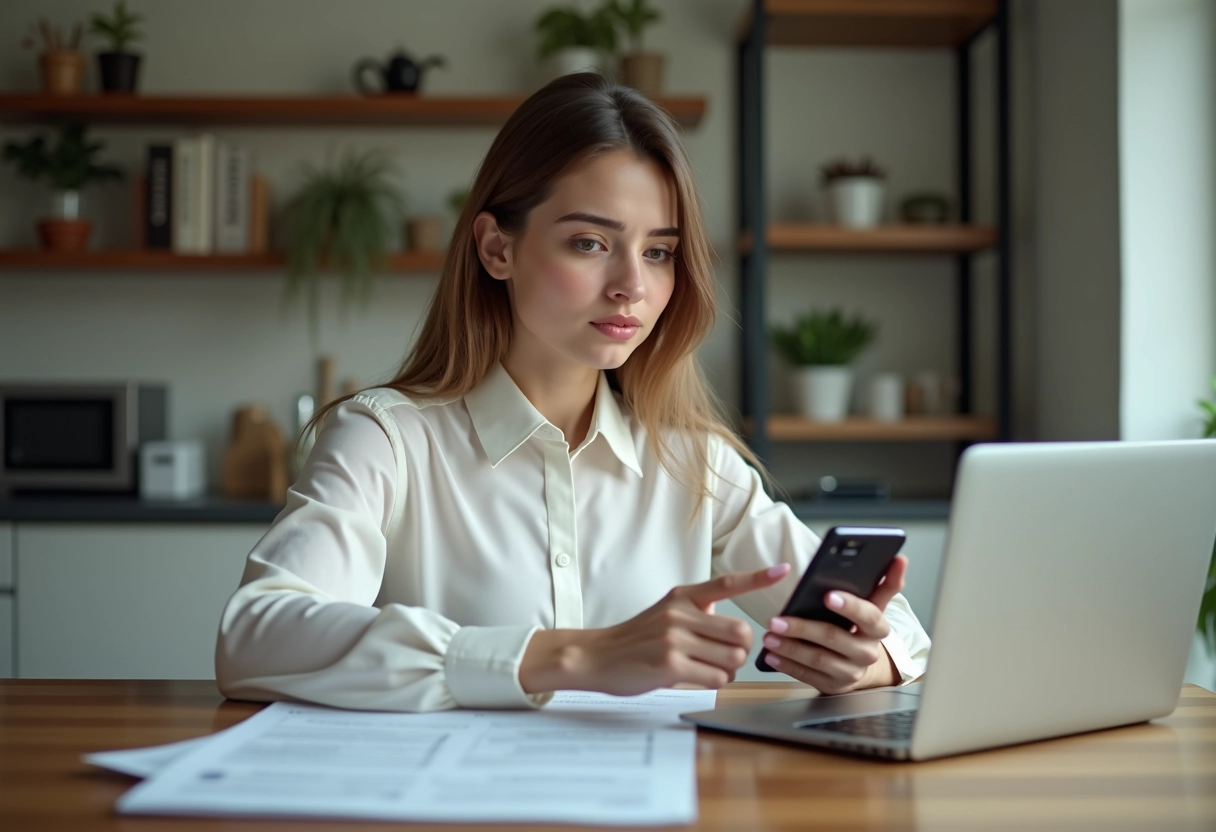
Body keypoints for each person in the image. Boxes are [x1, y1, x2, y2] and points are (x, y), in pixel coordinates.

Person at [215, 73, 930, 712]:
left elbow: (901, 634)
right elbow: (256, 636)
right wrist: (575, 656)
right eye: (590, 242)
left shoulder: (695, 463)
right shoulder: (386, 439)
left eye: (658, 252)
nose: (633, 286)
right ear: (497, 248)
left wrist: (865, 659)